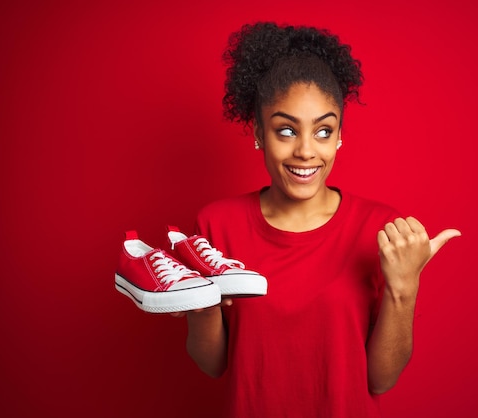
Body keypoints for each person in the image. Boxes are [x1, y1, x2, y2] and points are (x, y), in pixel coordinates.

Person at [177, 22, 460, 418]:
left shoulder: (381, 230)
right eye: (286, 130)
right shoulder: (215, 226)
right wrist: (200, 301)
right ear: (258, 131)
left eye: (323, 131)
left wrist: (404, 287)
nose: (306, 151)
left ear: (340, 135)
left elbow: (381, 380)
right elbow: (212, 365)